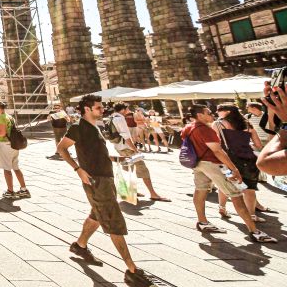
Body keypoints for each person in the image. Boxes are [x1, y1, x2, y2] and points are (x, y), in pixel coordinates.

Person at [56, 94, 164, 287]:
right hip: (95, 181)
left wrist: (115, 160)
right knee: (113, 220)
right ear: (87, 109)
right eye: (98, 108)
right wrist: (78, 169)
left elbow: (94, 153)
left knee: (97, 215)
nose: (102, 110)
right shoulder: (78, 127)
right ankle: (132, 270)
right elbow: (61, 149)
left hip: (105, 178)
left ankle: (80, 245)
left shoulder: (94, 126)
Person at [180, 104, 275, 243]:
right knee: (236, 194)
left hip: (198, 163)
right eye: (208, 113)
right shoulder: (206, 130)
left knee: (200, 190)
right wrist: (233, 169)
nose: (212, 114)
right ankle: (254, 232)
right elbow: (218, 151)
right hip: (212, 164)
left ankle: (202, 222)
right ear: (200, 115)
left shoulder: (188, 127)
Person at [214, 104, 265, 224]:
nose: (217, 113)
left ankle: (222, 208)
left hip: (228, 160)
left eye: (219, 111)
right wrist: (246, 145)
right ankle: (252, 215)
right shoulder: (247, 124)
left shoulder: (218, 124)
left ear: (227, 112)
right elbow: (258, 145)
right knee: (249, 189)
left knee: (225, 184)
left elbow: (216, 143)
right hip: (248, 160)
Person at [110, 103, 169, 202]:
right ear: (124, 109)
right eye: (127, 109)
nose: (129, 111)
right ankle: (153, 193)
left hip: (119, 147)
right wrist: (135, 149)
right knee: (143, 169)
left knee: (127, 170)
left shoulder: (112, 117)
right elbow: (126, 136)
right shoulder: (120, 119)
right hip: (128, 148)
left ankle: (131, 192)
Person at [0, 102, 28, 198]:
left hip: (5, 144)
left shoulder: (1, 117)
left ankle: (10, 191)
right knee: (16, 167)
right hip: (14, 144)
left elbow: (2, 133)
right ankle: (24, 189)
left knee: (7, 169)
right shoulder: (10, 117)